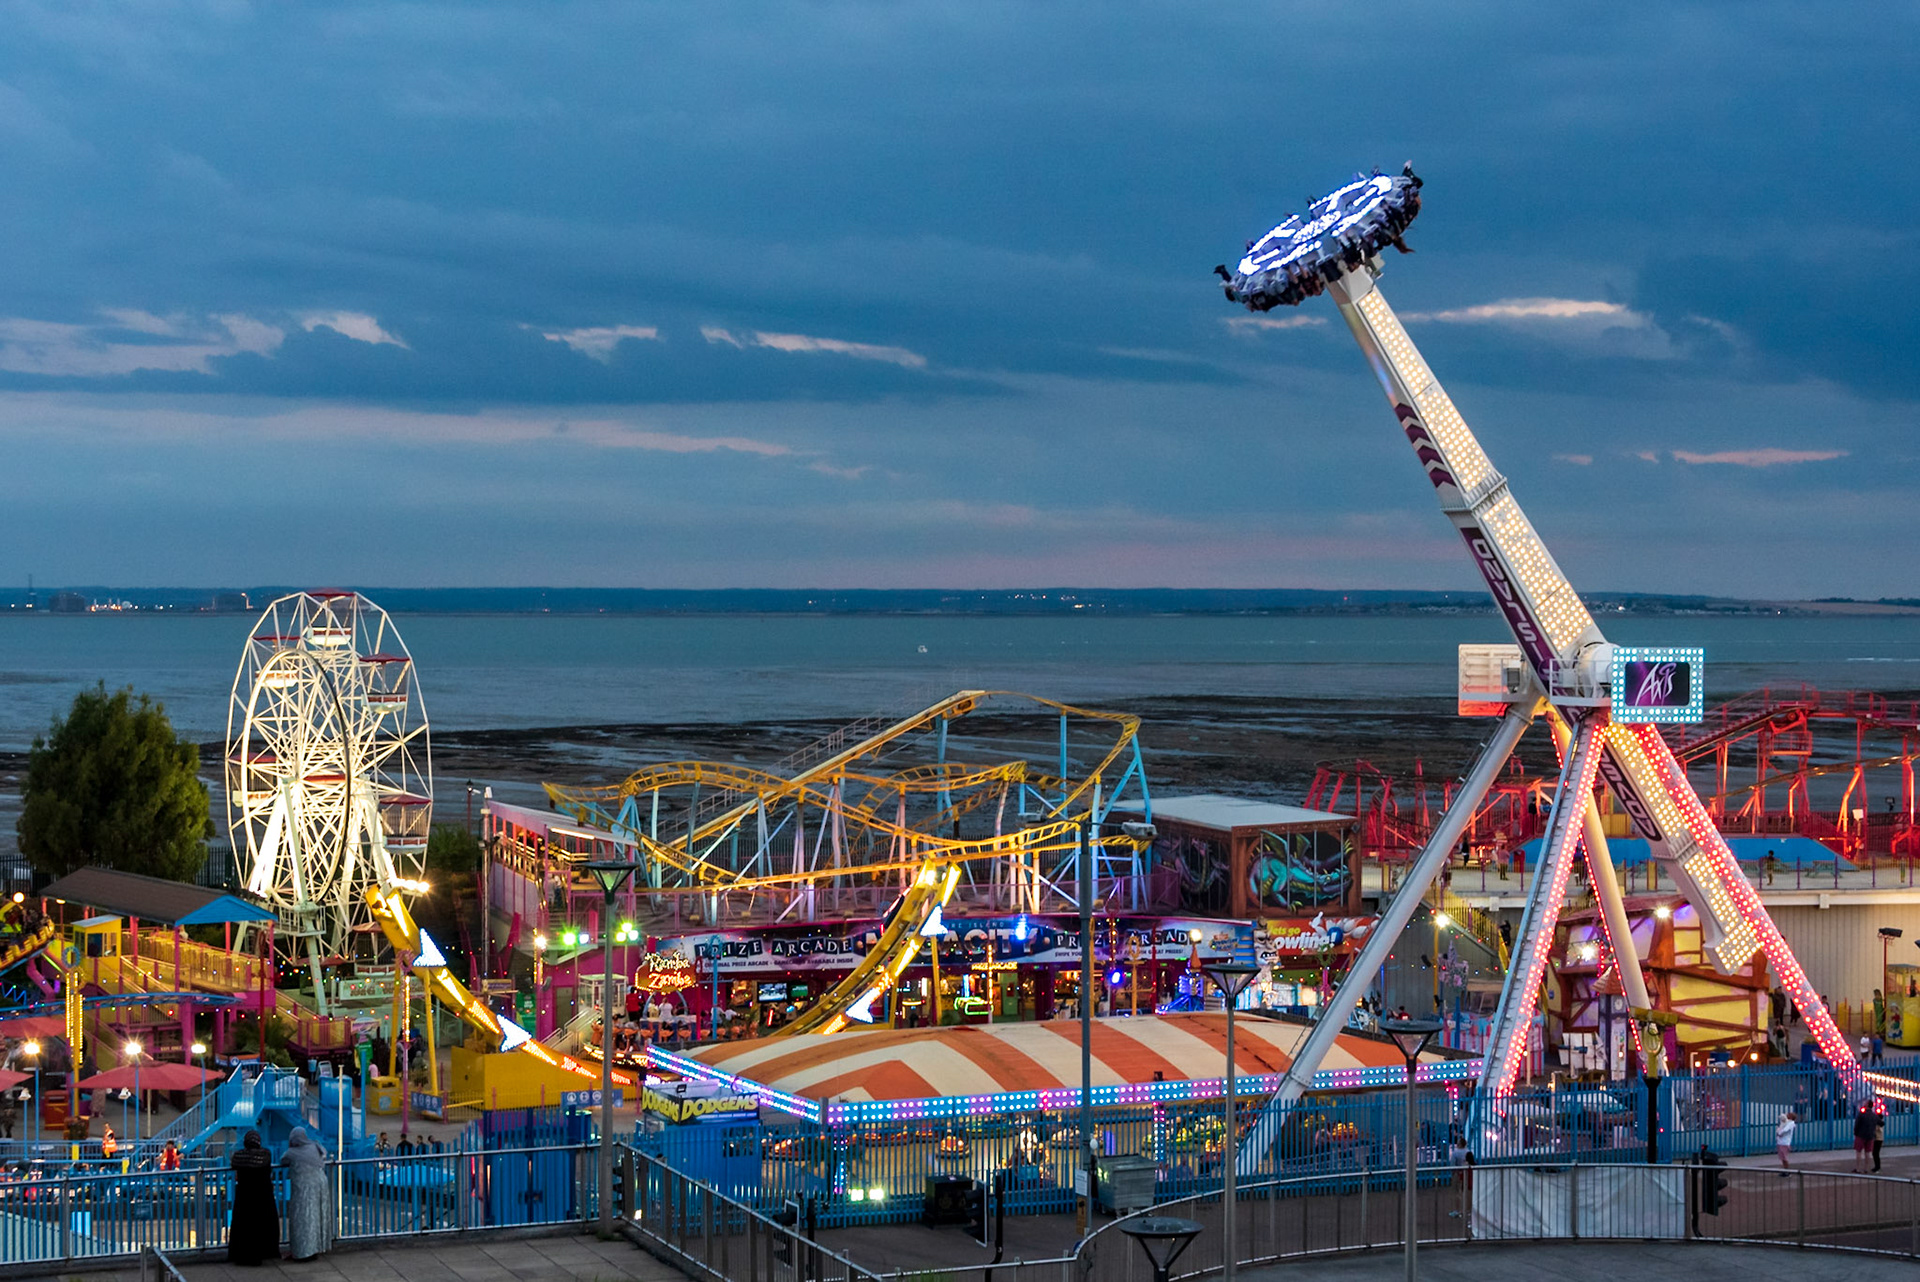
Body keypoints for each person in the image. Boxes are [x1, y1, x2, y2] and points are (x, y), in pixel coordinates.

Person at [227, 1129, 281, 1266]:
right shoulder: (265, 1155)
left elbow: (234, 1164)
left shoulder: (239, 1156)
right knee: (262, 1224)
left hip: (244, 1196)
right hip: (263, 1195)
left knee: (244, 1225)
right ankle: (266, 1251)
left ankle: (242, 1255)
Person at [282, 1127, 331, 1261]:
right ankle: (316, 1248)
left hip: (303, 1189)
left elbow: (283, 1160)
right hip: (320, 1186)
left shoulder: (291, 1153)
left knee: (301, 1220)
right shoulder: (315, 1146)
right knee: (316, 1217)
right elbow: (323, 1154)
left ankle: (302, 1252)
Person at [1854, 1102, 1877, 1173]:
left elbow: (1857, 1125)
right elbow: (1879, 1123)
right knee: (1868, 1152)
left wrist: (1855, 1132)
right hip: (1870, 1135)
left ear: (1867, 1105)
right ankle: (1866, 1169)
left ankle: (1858, 1168)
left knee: (1859, 1152)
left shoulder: (1861, 1114)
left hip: (1860, 1135)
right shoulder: (1874, 1115)